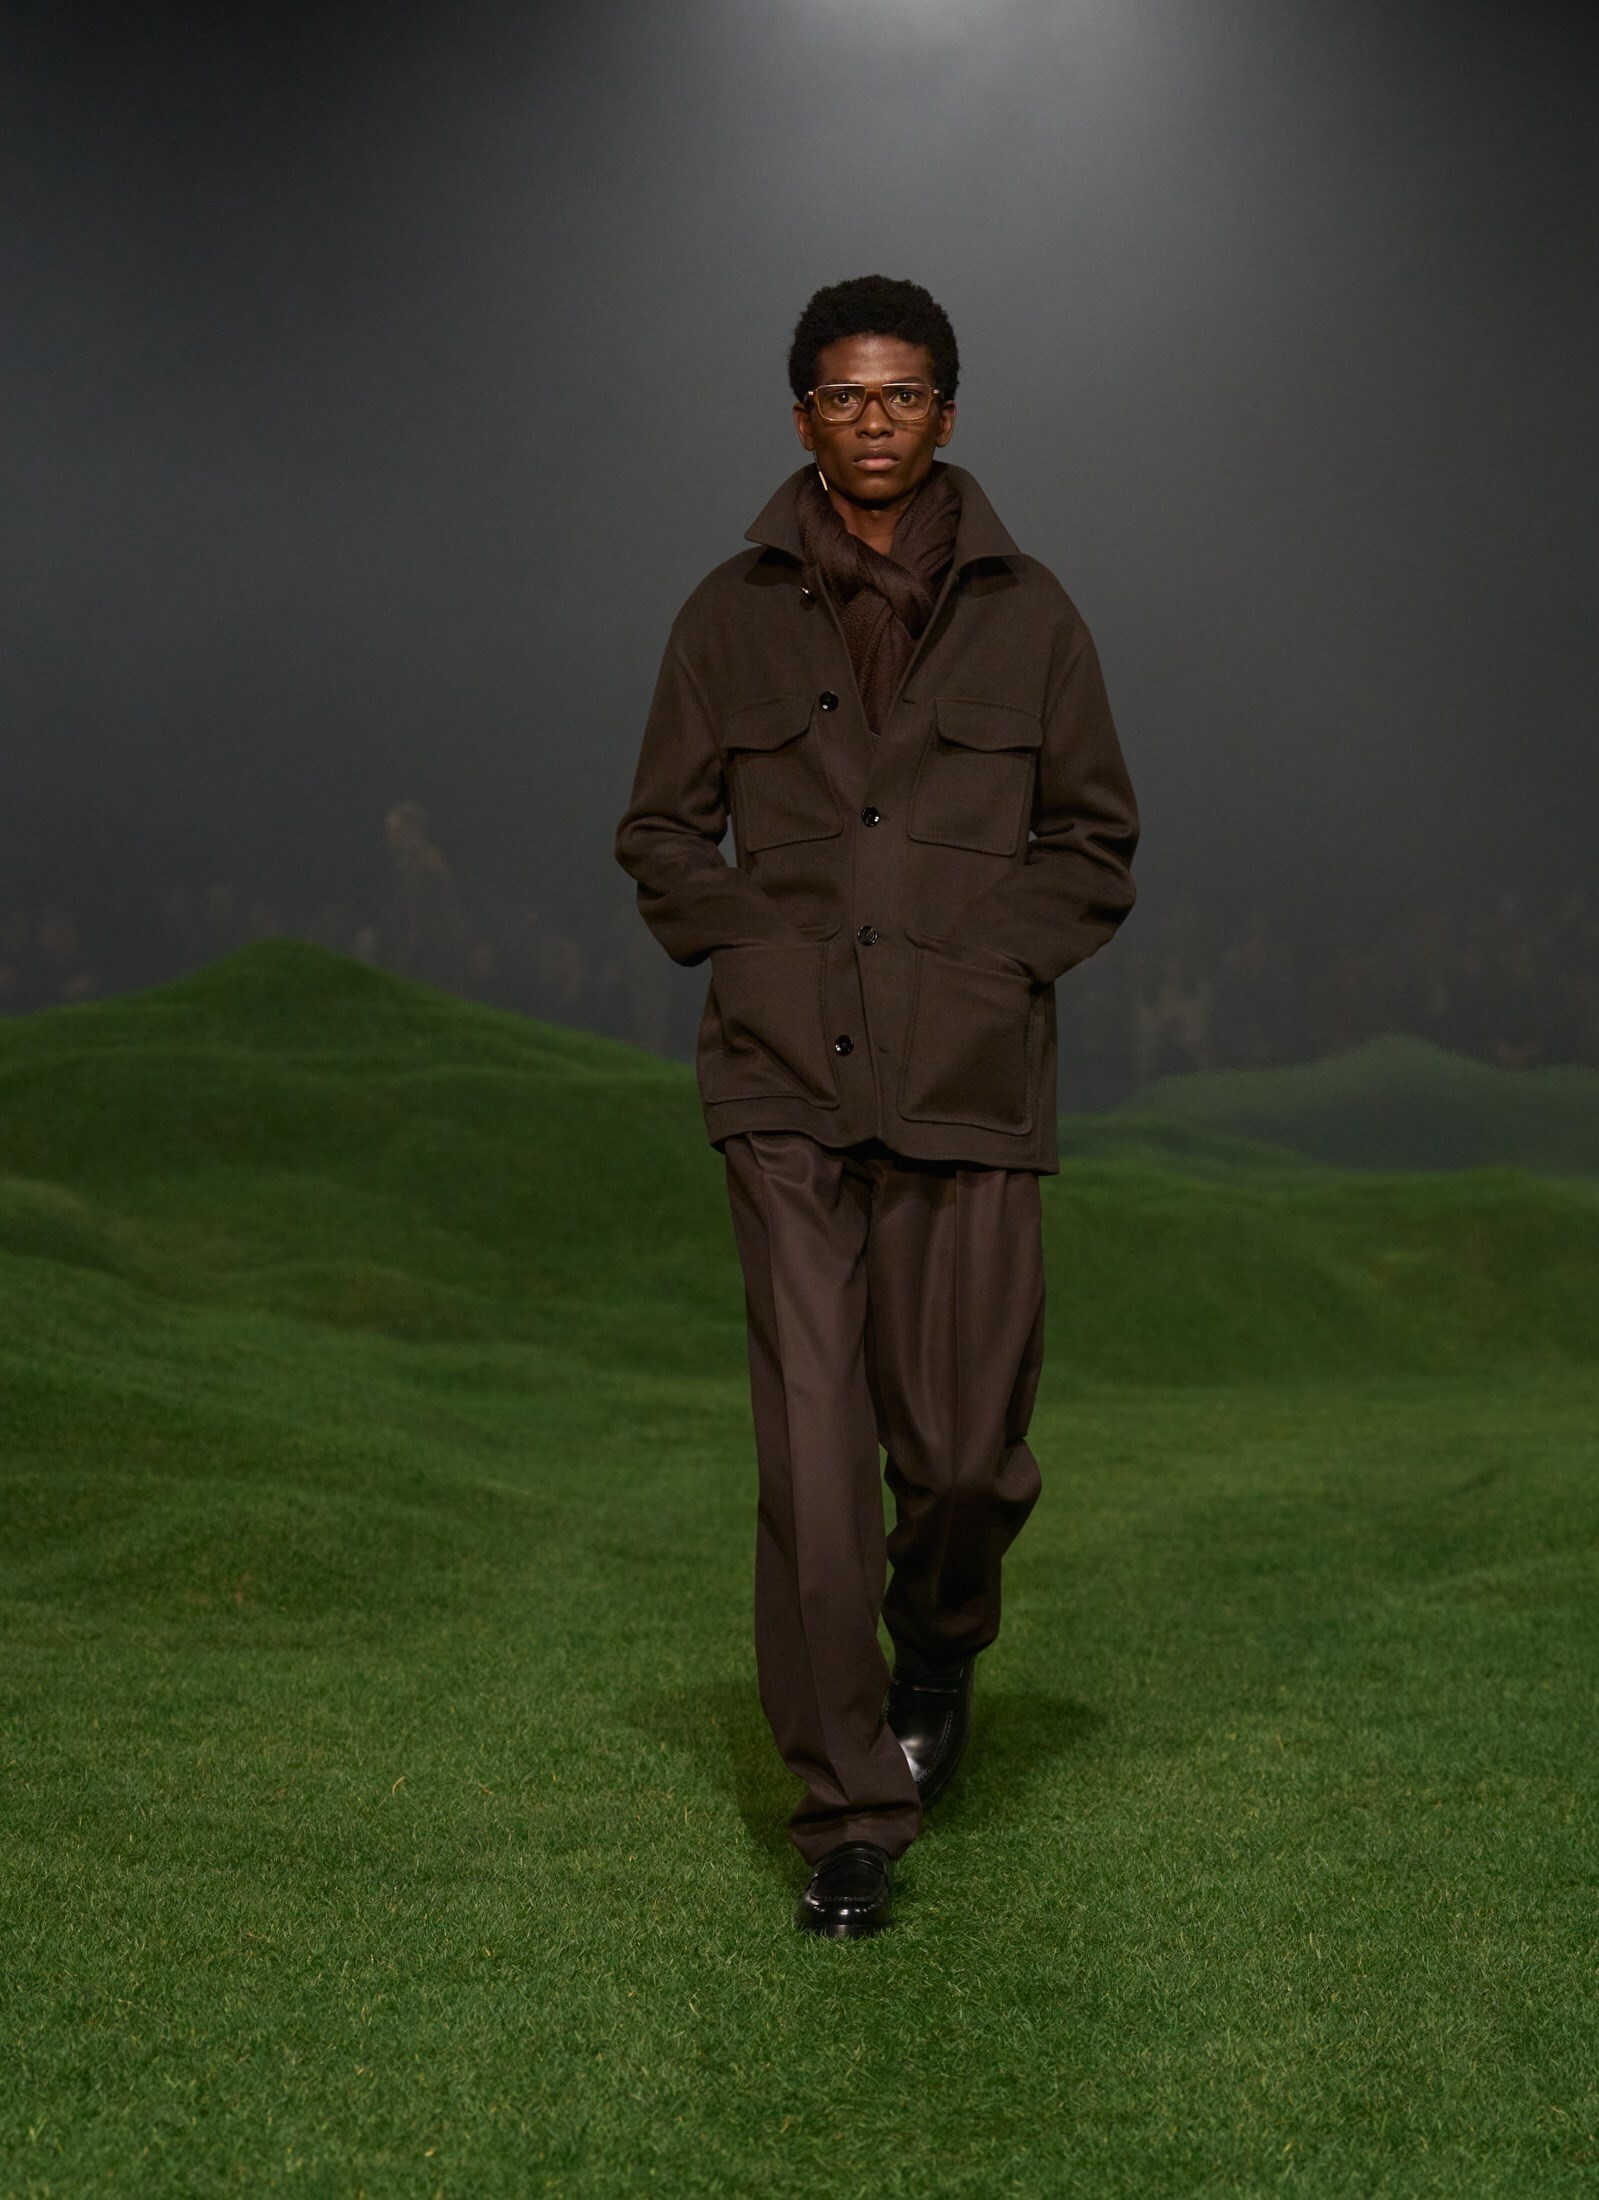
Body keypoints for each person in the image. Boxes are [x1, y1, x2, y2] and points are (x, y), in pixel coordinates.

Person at [613, 274, 1138, 1938]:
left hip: (968, 1083)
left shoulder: (1034, 616)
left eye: (903, 394)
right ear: (803, 418)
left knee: (964, 1464)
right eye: (844, 396)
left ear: (946, 412)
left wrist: (990, 964)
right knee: (817, 1466)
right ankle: (851, 1816)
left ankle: (940, 1647)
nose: (875, 421)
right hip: (783, 1087)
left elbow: (1097, 841)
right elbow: (660, 832)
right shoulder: (726, 614)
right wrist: (757, 951)